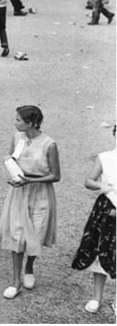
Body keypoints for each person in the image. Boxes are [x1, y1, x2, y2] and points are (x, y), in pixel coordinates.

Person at [0, 105, 60, 300]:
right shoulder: (17, 137)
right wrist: (14, 173)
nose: (14, 123)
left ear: (31, 123)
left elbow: (55, 175)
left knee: (35, 233)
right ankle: (16, 282)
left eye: (18, 120)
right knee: (17, 235)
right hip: (19, 191)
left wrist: (30, 180)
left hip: (40, 193)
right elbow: (11, 159)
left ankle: (29, 267)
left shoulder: (49, 144)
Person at [70, 132, 115, 314]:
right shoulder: (105, 157)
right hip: (107, 207)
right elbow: (89, 181)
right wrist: (101, 186)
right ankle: (97, 297)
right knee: (100, 249)